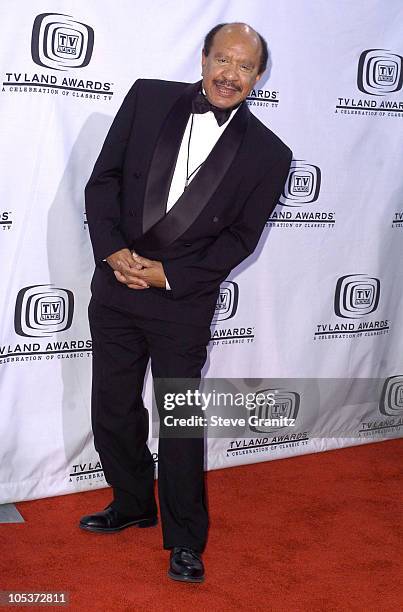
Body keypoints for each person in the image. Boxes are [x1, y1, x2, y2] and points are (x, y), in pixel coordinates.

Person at [81, 22, 292, 583]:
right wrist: (114, 253)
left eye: (244, 66)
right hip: (115, 284)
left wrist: (167, 274)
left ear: (257, 76)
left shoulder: (271, 154)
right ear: (203, 59)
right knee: (113, 406)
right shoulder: (148, 97)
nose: (230, 75)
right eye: (222, 59)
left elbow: (239, 239)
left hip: (181, 301)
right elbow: (102, 182)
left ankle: (185, 538)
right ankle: (131, 504)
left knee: (179, 421)